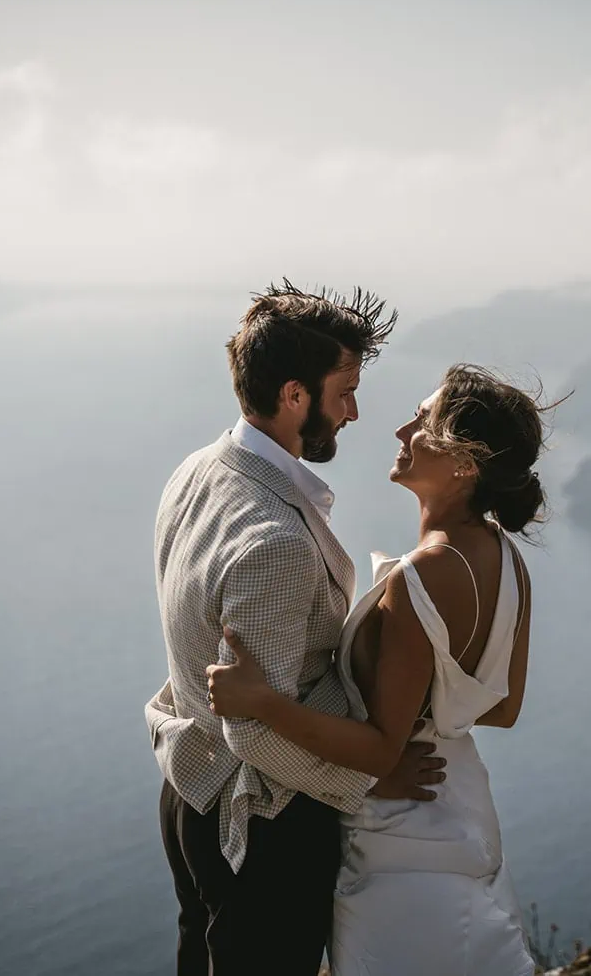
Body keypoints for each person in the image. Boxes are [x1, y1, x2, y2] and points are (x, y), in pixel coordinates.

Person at [209, 362, 553, 976]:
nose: (400, 429)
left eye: (421, 421)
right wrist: (435, 708)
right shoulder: (506, 557)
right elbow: (502, 707)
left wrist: (261, 702)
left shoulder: (422, 577)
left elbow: (377, 752)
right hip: (459, 800)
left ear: (464, 462)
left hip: (402, 834)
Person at [144, 281, 444, 976]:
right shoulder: (274, 537)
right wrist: (369, 772)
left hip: (188, 791)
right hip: (260, 827)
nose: (355, 411)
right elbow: (255, 727)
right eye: (344, 391)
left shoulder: (197, 470)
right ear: (293, 396)